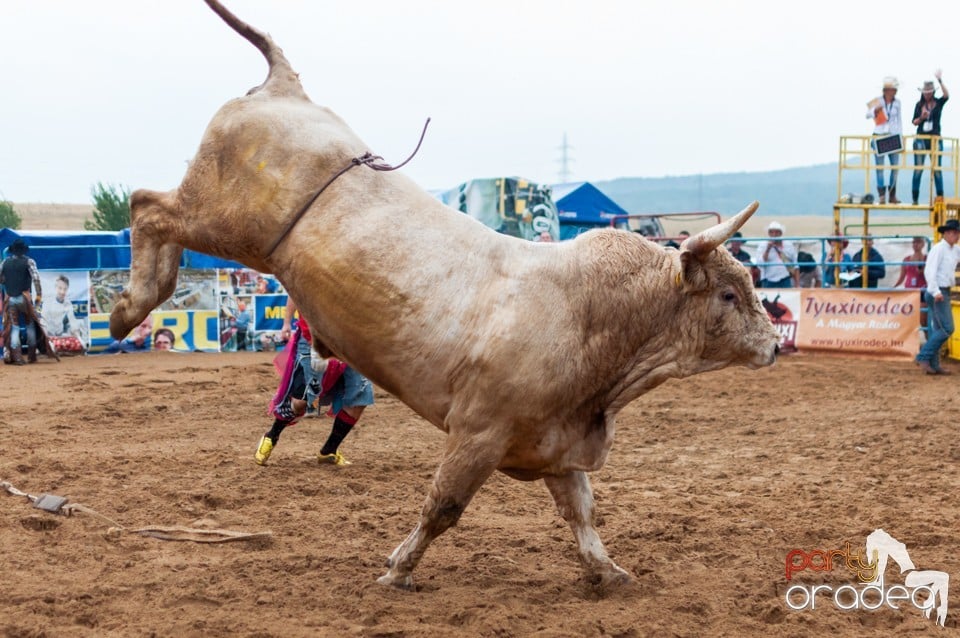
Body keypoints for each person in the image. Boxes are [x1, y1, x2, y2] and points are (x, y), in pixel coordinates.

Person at [254, 297, 374, 466]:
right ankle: (272, 435)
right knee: (302, 401)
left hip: (349, 341)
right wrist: (286, 323)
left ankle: (329, 451)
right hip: (312, 339)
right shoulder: (314, 271)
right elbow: (295, 291)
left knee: (360, 396)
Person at [916, 219, 960, 375]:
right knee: (947, 328)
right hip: (938, 292)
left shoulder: (955, 250)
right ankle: (923, 356)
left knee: (938, 329)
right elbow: (930, 271)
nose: (957, 236)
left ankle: (934, 364)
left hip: (943, 290)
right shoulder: (939, 249)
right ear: (947, 233)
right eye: (955, 233)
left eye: (957, 233)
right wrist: (936, 292)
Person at [1, 239, 43, 364]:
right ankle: (31, 355)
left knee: (14, 326)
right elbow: (36, 279)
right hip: (24, 297)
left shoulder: (5, 262)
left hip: (11, 298)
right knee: (30, 324)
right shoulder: (29, 262)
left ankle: (17, 356)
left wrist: (6, 281)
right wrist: (39, 295)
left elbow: (0, 278)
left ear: (13, 250)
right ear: (23, 250)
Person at [911, 71, 950, 205]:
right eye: (925, 92)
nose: (926, 94)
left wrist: (940, 80)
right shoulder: (919, 105)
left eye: (929, 92)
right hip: (921, 137)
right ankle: (915, 198)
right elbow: (914, 122)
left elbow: (946, 95)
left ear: (933, 92)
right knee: (918, 168)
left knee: (937, 169)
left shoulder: (938, 103)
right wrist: (922, 117)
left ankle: (940, 197)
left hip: (935, 138)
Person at [867, 76, 903, 204]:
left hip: (893, 136)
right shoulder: (878, 101)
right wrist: (874, 111)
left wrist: (901, 138)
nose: (893, 91)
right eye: (891, 89)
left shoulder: (897, 103)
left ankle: (892, 194)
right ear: (886, 90)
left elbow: (899, 121)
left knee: (895, 167)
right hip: (880, 135)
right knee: (880, 167)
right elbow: (867, 114)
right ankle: (881, 195)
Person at [41, 275, 85, 340]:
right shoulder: (47, 302)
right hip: (48, 334)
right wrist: (45, 338)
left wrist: (78, 338)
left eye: (65, 289)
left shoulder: (68, 303)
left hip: (60, 334)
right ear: (55, 287)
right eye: (60, 288)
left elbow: (72, 321)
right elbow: (44, 322)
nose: (62, 292)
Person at [757, 221, 798, 288]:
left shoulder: (788, 245)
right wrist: (768, 249)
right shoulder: (763, 245)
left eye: (777, 232)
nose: (774, 234)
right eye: (772, 232)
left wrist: (797, 284)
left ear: (781, 233)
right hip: (768, 279)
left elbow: (795, 264)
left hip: (784, 278)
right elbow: (760, 263)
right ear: (769, 234)